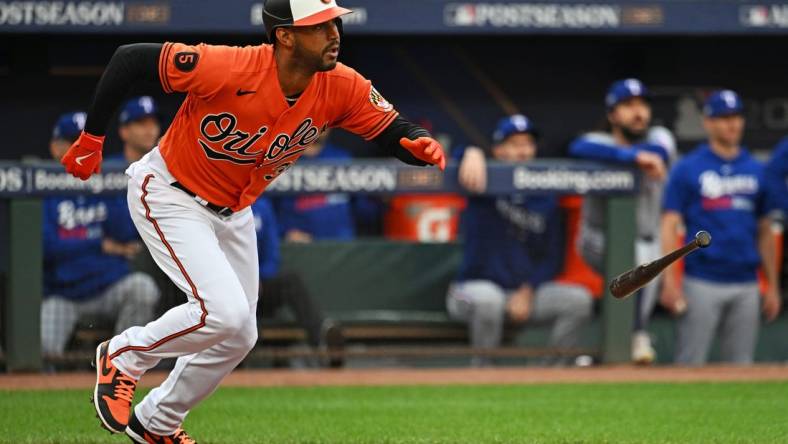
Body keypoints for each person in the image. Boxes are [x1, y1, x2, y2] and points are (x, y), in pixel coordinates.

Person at [59, 1, 446, 441]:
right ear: (285, 36)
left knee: (240, 334)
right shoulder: (229, 66)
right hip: (171, 191)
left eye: (335, 21)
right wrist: (92, 135)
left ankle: (156, 421)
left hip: (234, 209)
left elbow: (391, 127)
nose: (335, 31)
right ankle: (123, 355)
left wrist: (414, 140)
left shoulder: (341, 85)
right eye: (320, 25)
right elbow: (129, 59)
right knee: (222, 313)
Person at [447, 115, 593, 367]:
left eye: (527, 143)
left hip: (524, 293)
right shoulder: (482, 179)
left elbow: (552, 257)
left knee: (579, 301)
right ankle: (482, 372)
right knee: (488, 300)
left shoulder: (546, 193)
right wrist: (469, 153)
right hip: (471, 289)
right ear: (498, 149)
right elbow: (450, 160)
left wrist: (528, 291)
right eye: (514, 144)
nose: (522, 151)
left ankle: (552, 375)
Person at [660, 90, 781, 365]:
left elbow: (765, 229)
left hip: (746, 281)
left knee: (741, 369)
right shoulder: (688, 168)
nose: (732, 124)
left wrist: (772, 285)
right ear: (708, 122)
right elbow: (669, 225)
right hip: (701, 279)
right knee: (689, 364)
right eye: (724, 118)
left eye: (736, 117)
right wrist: (670, 281)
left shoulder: (755, 169)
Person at [569, 79, 676, 364]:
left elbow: (661, 152)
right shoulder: (599, 142)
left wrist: (640, 156)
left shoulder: (660, 137)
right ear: (612, 115)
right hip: (596, 238)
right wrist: (631, 156)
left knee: (642, 266)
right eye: (628, 106)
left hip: (648, 240)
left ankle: (611, 352)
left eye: (642, 105)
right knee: (636, 260)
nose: (638, 112)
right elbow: (578, 145)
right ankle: (637, 335)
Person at [42, 112, 159, 358]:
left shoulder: (107, 183)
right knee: (43, 347)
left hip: (110, 288)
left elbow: (127, 236)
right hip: (64, 296)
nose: (81, 150)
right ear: (56, 147)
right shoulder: (44, 188)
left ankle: (118, 363)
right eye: (74, 143)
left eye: (86, 144)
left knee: (143, 288)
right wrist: (99, 242)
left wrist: (79, 239)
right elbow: (49, 247)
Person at [251, 196, 345, 367]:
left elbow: (272, 255)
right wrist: (246, 280)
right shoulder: (219, 205)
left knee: (291, 280)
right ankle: (238, 358)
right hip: (231, 289)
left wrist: (258, 278)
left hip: (261, 287)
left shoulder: (262, 206)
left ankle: (323, 338)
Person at [274, 128, 356, 241]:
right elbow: (264, 209)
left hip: (341, 246)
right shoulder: (280, 161)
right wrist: (284, 232)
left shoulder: (342, 157)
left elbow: (361, 205)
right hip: (299, 248)